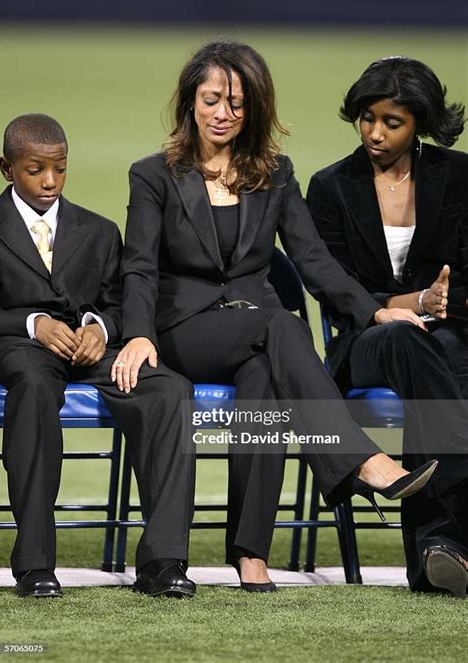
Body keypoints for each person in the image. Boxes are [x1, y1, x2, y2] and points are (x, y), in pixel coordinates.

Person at [113, 40, 437, 593]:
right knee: (280, 324)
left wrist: (375, 311)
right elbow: (139, 266)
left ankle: (250, 552)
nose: (223, 114)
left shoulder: (276, 174)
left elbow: (314, 261)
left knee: (265, 378)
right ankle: (361, 460)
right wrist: (139, 334)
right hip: (183, 330)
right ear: (191, 100)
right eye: (212, 99)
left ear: (254, 108)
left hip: (254, 337)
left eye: (237, 103)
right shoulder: (154, 175)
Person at [0, 114, 196, 599]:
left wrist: (97, 327)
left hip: (91, 351)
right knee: (35, 385)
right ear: (6, 168)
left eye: (59, 169)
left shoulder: (99, 230)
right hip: (17, 349)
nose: (49, 181)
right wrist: (32, 324)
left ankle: (163, 562)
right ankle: (36, 565)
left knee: (169, 389)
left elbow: (120, 304)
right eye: (34, 169)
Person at [306, 56, 468, 598]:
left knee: (444, 351)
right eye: (367, 118)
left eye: (391, 122)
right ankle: (461, 499)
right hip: (364, 340)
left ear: (419, 123)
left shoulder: (459, 176)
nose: (375, 133)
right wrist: (409, 301)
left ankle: (437, 553)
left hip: (447, 332)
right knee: (405, 336)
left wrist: (440, 302)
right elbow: (332, 287)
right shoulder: (330, 186)